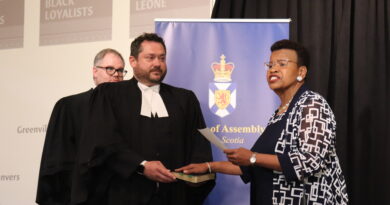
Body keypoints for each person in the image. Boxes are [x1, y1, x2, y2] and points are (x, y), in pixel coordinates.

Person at [177, 39, 349, 204]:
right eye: (270, 65)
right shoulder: (279, 114)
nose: (273, 69)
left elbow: (308, 162)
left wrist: (252, 157)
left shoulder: (312, 105)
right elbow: (250, 167)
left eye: (282, 64)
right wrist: (208, 166)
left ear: (301, 72)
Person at [70, 33, 214, 205]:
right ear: (133, 61)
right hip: (124, 194)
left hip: (174, 196)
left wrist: (193, 181)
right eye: (150, 57)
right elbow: (102, 142)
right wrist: (141, 165)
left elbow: (199, 145)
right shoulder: (108, 95)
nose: (157, 64)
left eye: (162, 58)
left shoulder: (185, 99)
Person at [36, 48, 126, 205]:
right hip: (80, 196)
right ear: (95, 71)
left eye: (120, 70)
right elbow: (57, 163)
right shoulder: (69, 106)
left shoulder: (130, 111)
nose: (116, 75)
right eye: (110, 69)